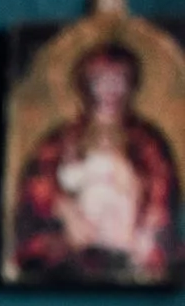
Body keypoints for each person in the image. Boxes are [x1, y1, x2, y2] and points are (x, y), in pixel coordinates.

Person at [13, 39, 183, 285]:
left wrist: (144, 230)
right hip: (75, 239)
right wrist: (65, 209)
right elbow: (39, 185)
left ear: (131, 84)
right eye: (101, 80)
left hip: (130, 236)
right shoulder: (65, 138)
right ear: (85, 84)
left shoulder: (147, 140)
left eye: (119, 80)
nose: (110, 89)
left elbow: (162, 189)